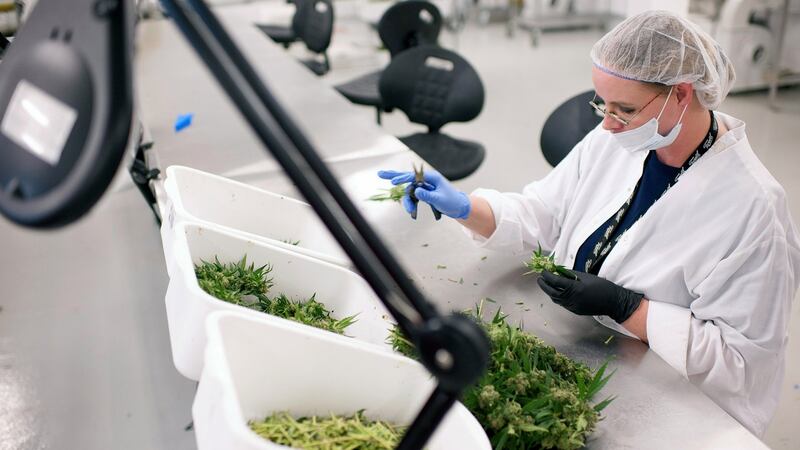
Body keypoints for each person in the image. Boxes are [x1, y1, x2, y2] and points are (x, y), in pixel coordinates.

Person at [378, 10, 800, 437]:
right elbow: (542, 213)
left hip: (668, 402)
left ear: (682, 94)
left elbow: (740, 366)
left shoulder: (754, 211)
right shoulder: (616, 139)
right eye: (602, 103)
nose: (607, 123)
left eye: (625, 109)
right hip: (583, 345)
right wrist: (464, 205)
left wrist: (628, 308)